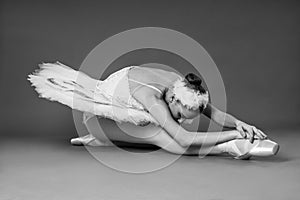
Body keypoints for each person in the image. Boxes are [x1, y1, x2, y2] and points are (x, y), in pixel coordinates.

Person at [28, 62, 279, 159]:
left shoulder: (183, 87)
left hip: (129, 104)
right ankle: (231, 148)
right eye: (180, 115)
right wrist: (232, 136)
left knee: (162, 129)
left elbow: (214, 114)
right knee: (164, 137)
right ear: (172, 99)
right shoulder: (152, 100)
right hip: (101, 117)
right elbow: (184, 139)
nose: (183, 120)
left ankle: (236, 147)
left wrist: (239, 124)